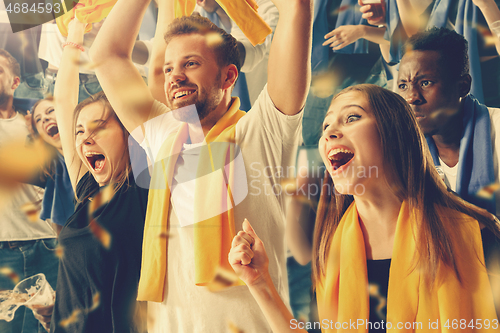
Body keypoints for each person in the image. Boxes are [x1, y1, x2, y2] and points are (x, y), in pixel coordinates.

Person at [89, 0, 311, 330]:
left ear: (228, 75)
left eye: (190, 64)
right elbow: (106, 56)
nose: (174, 76)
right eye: (167, 68)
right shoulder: (162, 133)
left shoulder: (262, 131)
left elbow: (296, 8)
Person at [229, 84, 500, 332]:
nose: (329, 133)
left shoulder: (477, 234)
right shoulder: (331, 248)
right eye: (326, 126)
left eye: (352, 118)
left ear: (394, 132)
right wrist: (259, 282)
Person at [31, 18, 148, 332]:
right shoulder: (88, 191)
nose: (83, 139)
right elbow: (63, 101)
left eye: (98, 127)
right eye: (79, 131)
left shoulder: (145, 187)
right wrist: (75, 31)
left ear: (128, 133)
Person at [397, 27, 500, 217]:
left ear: (463, 86)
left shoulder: (497, 129)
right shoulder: (403, 149)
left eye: (425, 82)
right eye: (403, 85)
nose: (411, 97)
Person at [0, 48, 58, 333]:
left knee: (53, 326)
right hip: (1, 250)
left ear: (14, 81)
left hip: (45, 243)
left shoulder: (40, 121)